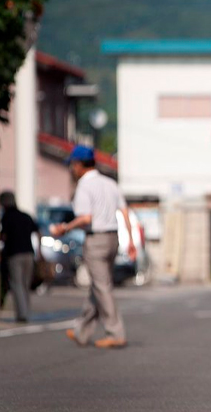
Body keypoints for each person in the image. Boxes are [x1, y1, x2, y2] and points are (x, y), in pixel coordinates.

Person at [51, 145, 136, 349]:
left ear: (79, 165)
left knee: (102, 286)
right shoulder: (110, 183)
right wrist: (131, 241)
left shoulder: (84, 186)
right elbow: (124, 212)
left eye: (72, 164)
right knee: (100, 284)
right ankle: (82, 330)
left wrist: (64, 228)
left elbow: (85, 218)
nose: (72, 169)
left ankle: (115, 333)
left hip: (96, 239)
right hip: (113, 238)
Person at [0, 191, 40, 322]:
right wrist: (40, 251)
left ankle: (22, 314)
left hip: (14, 254)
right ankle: (26, 312)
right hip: (29, 253)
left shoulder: (7, 217)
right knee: (25, 284)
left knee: (17, 284)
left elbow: (3, 236)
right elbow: (38, 232)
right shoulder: (25, 216)